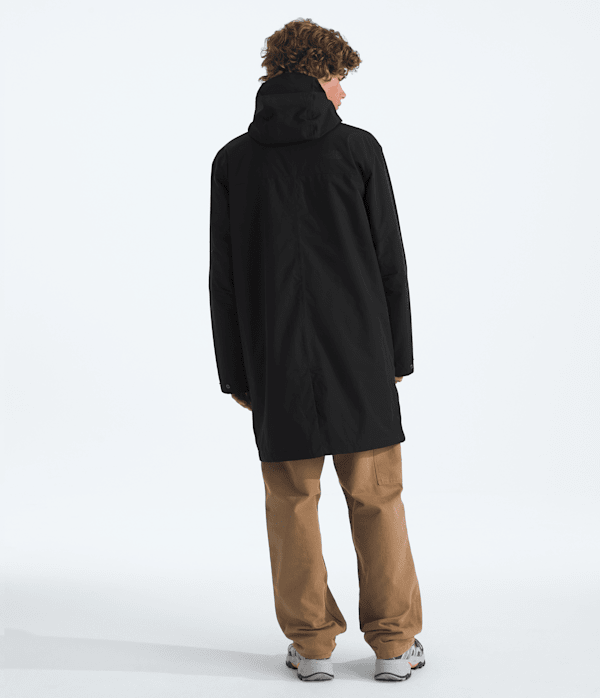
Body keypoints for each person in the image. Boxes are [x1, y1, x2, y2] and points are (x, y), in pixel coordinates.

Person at [209, 18, 425, 682]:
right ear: (315, 75)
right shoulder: (357, 150)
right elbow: (389, 261)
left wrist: (236, 373)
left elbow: (224, 279)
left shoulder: (233, 161)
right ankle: (394, 648)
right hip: (359, 354)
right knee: (377, 497)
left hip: (275, 359)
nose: (342, 93)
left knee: (291, 503)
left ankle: (310, 648)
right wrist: (396, 357)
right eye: (338, 78)